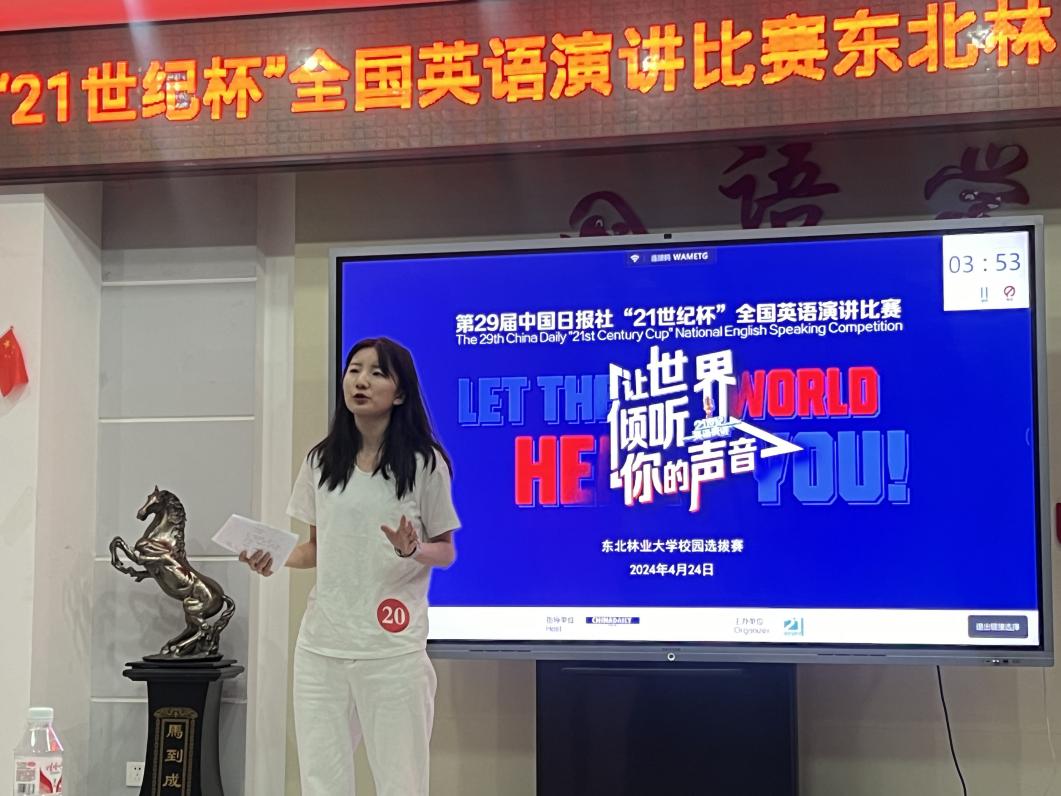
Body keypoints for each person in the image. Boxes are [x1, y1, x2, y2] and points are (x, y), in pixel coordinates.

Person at [240, 336, 459, 796]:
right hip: (322, 647)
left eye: (377, 373)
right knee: (322, 782)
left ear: (399, 392)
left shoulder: (424, 463)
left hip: (392, 650)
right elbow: (317, 548)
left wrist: (412, 550)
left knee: (402, 784)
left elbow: (445, 551)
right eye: (354, 370)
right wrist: (273, 557)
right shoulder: (321, 461)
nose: (361, 381)